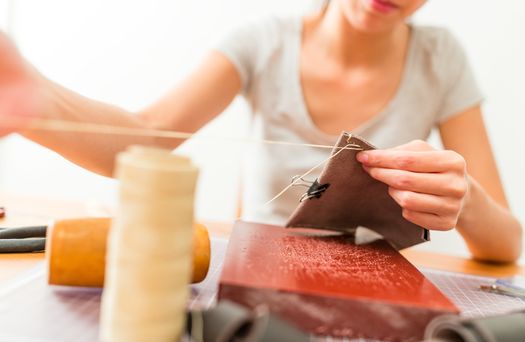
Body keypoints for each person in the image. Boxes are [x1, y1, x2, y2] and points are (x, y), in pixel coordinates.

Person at [0, 0, 521, 262]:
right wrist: (37, 99)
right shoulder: (262, 42)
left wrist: (465, 198)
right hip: (253, 275)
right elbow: (145, 137)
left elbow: (507, 247)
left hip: (372, 289)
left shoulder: (442, 59)